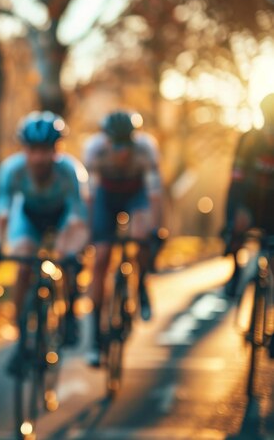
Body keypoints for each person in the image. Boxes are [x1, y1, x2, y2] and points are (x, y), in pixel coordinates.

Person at [0, 111, 89, 366]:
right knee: (24, 263)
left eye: (46, 150)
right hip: (29, 219)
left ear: (57, 149)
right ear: (24, 149)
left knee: (67, 259)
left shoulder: (71, 172)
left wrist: (74, 254)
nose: (39, 157)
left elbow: (79, 224)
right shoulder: (12, 170)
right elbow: (1, 217)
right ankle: (21, 334)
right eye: (33, 150)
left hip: (62, 219)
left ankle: (70, 312)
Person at [83, 110, 163, 367]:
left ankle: (141, 286)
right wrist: (90, 233)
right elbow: (90, 198)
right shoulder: (94, 150)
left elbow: (155, 196)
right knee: (102, 257)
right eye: (115, 145)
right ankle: (96, 338)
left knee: (141, 234)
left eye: (125, 145)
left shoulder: (146, 149)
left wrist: (157, 229)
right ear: (105, 140)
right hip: (106, 198)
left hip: (135, 195)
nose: (121, 152)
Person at [223, 93, 274, 302]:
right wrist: (230, 220)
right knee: (239, 225)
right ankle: (236, 270)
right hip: (249, 199)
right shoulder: (249, 139)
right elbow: (236, 181)